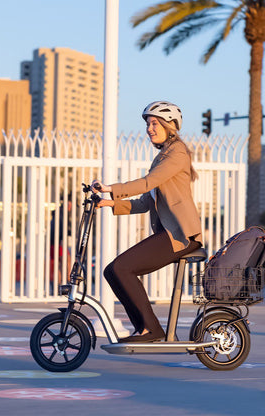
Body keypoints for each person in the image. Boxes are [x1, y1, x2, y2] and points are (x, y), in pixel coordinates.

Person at [92, 101, 202, 343]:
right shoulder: (164, 156)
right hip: (169, 235)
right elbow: (144, 202)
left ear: (169, 126)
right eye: (148, 124)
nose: (149, 128)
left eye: (154, 123)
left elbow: (147, 183)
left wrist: (111, 189)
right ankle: (144, 328)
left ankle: (151, 330)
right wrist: (108, 203)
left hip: (181, 236)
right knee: (112, 271)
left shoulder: (177, 153)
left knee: (122, 268)